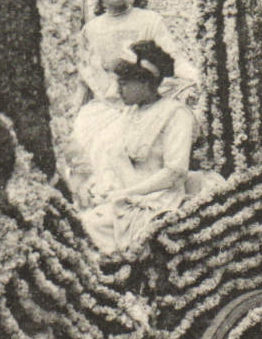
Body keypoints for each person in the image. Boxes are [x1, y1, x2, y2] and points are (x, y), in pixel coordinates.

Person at [66, 0, 198, 204]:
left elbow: (173, 58)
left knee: (118, 141)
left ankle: (125, 198)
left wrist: (194, 77)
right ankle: (93, 200)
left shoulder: (149, 21)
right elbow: (85, 80)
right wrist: (73, 109)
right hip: (105, 105)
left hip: (140, 101)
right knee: (85, 138)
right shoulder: (91, 30)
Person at [78, 40, 194, 256]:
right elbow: (117, 161)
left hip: (157, 204)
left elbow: (175, 173)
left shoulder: (175, 114)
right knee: (78, 222)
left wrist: (128, 193)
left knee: (87, 228)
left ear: (146, 83)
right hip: (124, 200)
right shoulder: (130, 114)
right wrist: (100, 185)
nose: (117, 90)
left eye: (124, 83)